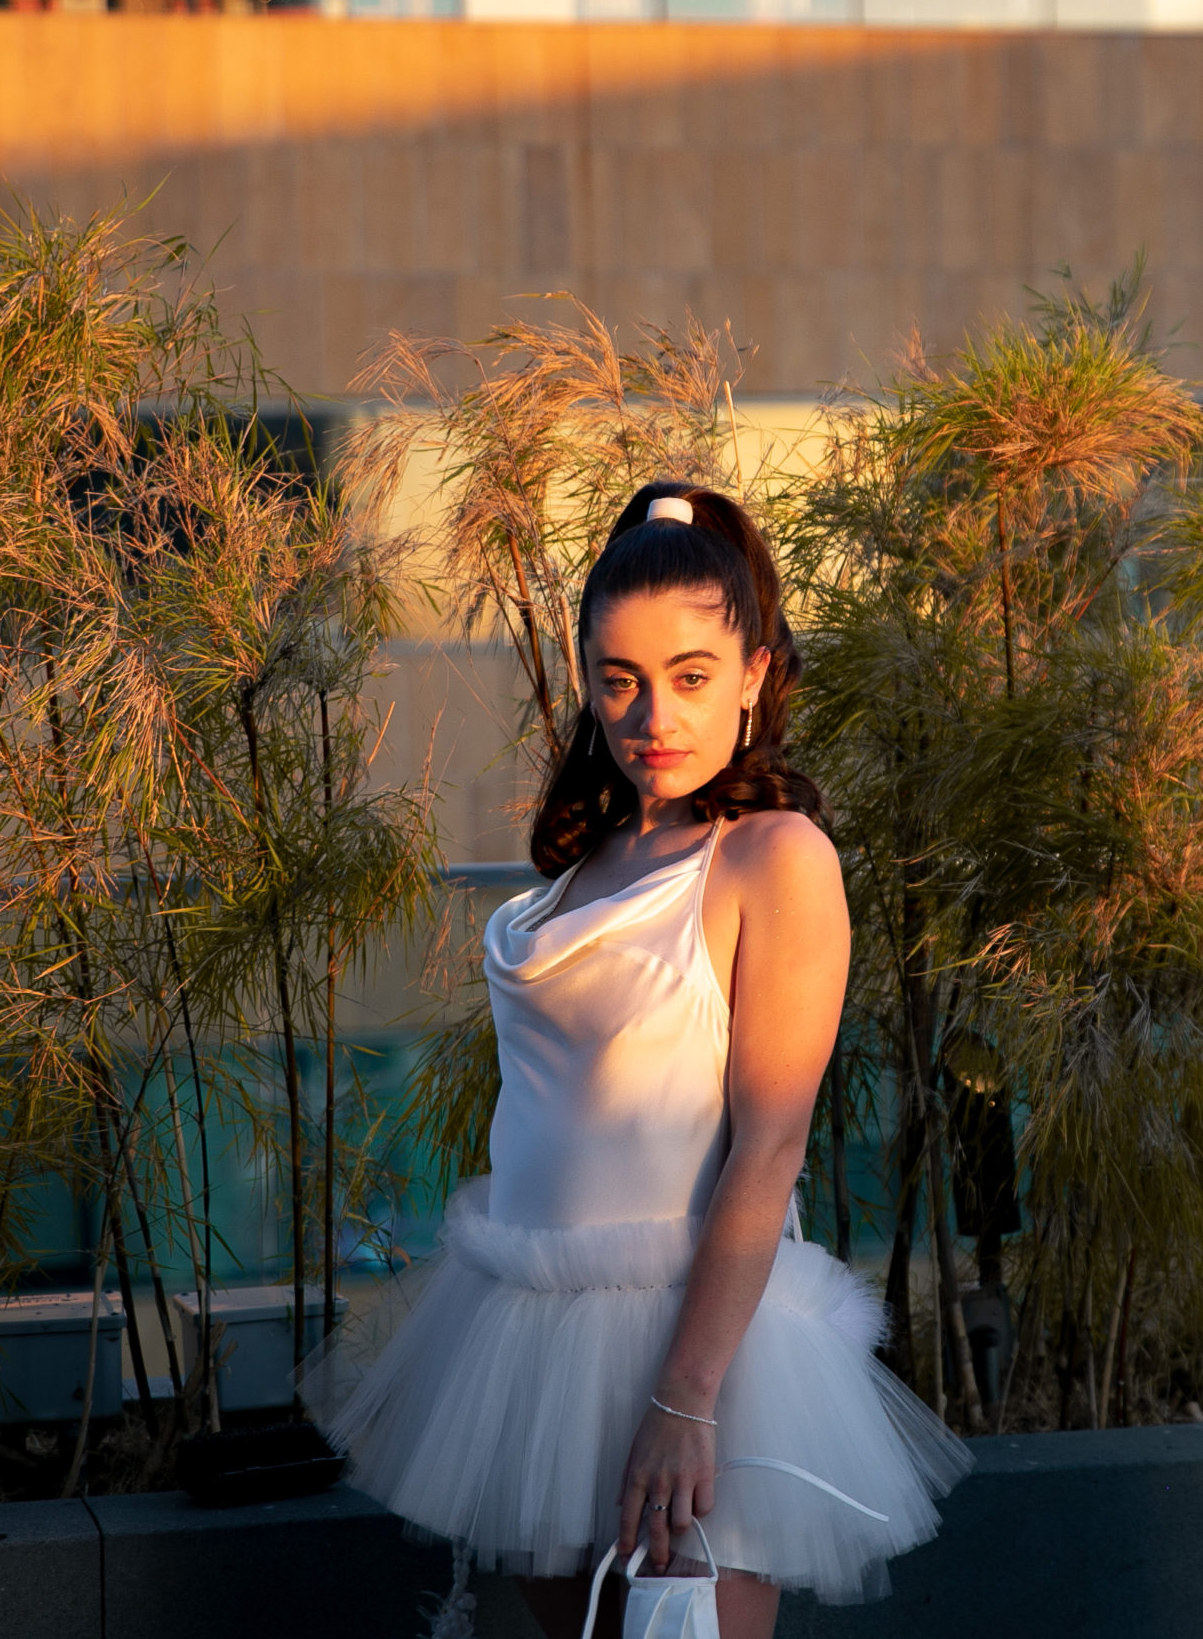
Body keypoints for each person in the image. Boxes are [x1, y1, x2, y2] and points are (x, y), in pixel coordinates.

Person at [309, 483, 969, 1639]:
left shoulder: (774, 856)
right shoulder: (595, 853)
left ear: (754, 673)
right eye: (619, 680)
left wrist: (688, 1400)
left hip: (693, 1342)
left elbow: (769, 1146)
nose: (652, 714)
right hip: (531, 1339)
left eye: (690, 676)